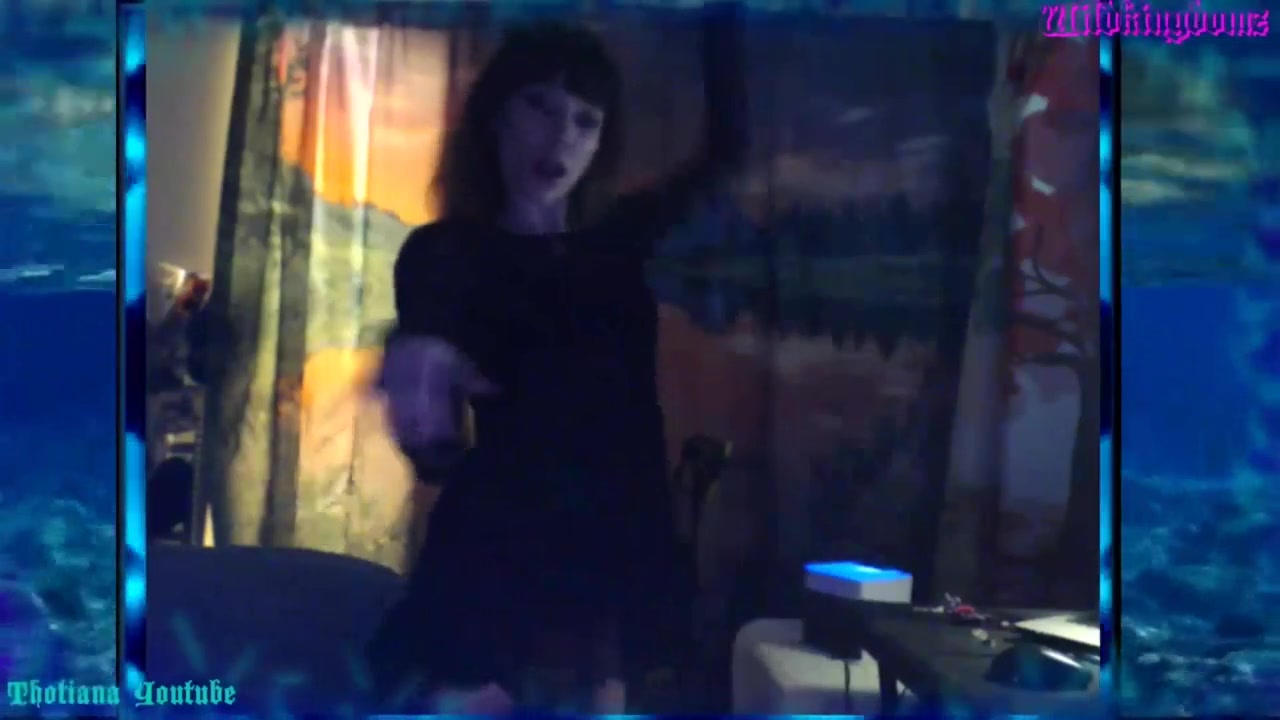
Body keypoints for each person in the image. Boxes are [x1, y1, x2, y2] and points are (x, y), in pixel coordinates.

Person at [366, 7, 747, 714]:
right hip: (499, 553)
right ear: (496, 117)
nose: (560, 137)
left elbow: (726, 156)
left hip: (615, 553)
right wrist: (421, 394)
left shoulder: (622, 241)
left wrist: (726, 23)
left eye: (584, 120)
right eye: (539, 106)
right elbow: (437, 453)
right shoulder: (447, 252)